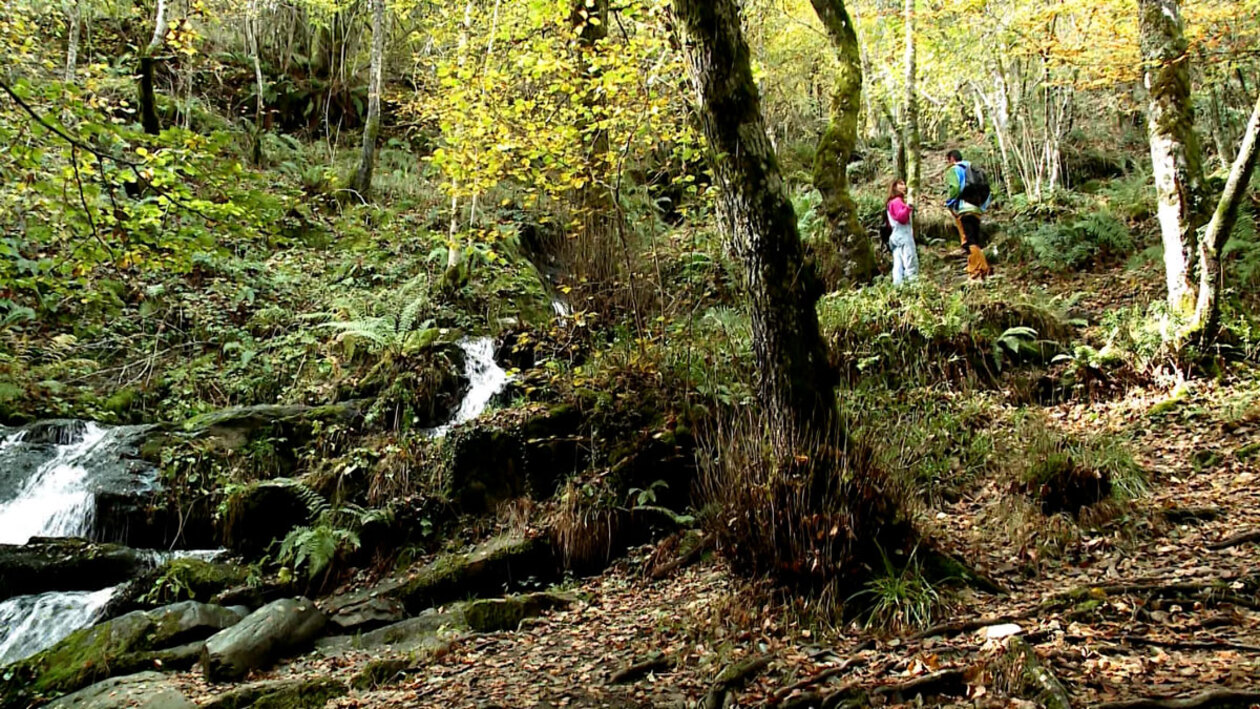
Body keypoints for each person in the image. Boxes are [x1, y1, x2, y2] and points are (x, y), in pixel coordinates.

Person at [944, 150, 992, 281]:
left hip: (964, 208)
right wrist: (982, 207)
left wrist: (949, 202)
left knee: (969, 240)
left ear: (952, 159)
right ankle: (981, 267)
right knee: (974, 240)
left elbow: (955, 187)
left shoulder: (955, 169)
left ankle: (977, 269)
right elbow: (988, 192)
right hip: (977, 208)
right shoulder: (974, 169)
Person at [886, 179, 919, 285]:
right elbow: (902, 217)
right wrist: (908, 207)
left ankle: (898, 288)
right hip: (903, 235)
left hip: (895, 237)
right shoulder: (897, 201)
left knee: (898, 264)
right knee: (910, 262)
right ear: (894, 187)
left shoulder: (891, 202)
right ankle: (914, 287)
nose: (904, 186)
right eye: (901, 184)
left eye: (904, 184)